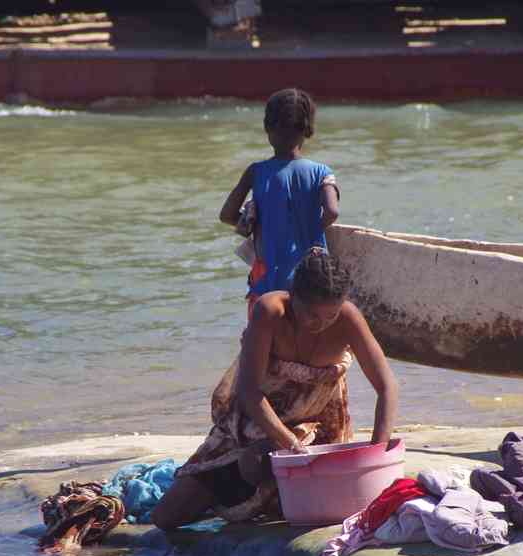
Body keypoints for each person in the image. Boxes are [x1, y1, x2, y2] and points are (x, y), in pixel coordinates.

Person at [151, 248, 398, 530]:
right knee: (167, 517)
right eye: (311, 315)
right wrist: (289, 445)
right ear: (294, 298)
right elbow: (248, 391)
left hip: (314, 428)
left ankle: (269, 494)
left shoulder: (349, 318)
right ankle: (232, 495)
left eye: (330, 315)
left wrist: (377, 451)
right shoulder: (270, 311)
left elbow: (387, 386)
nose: (320, 324)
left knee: (262, 465)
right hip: (255, 425)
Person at [218, 88, 340, 317]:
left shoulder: (255, 172)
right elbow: (332, 211)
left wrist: (255, 224)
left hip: (267, 281)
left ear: (267, 129)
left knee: (265, 336)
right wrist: (310, 227)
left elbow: (226, 215)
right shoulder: (321, 172)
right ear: (307, 130)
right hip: (312, 278)